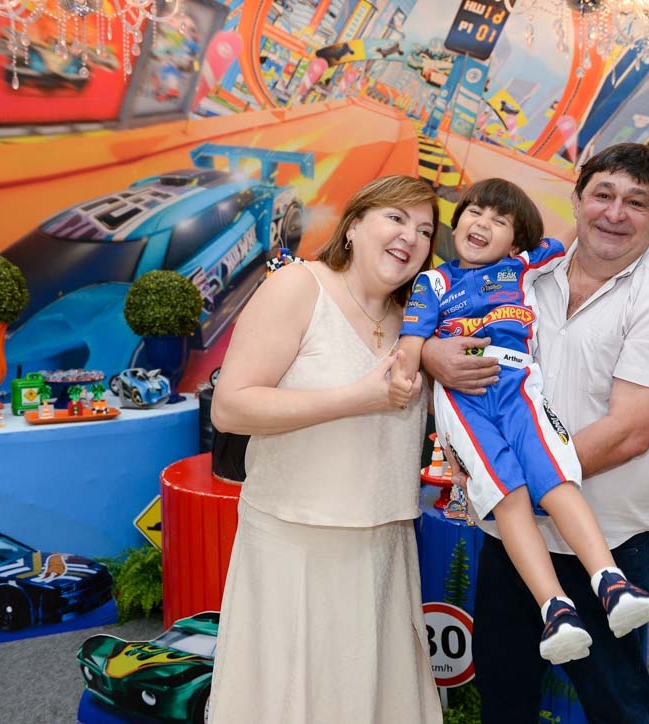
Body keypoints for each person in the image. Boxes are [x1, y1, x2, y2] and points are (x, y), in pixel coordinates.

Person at [422, 144, 649, 723]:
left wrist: (509, 479)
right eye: (603, 194)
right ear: (576, 200)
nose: (615, 213)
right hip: (513, 538)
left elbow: (629, 433)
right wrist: (432, 353)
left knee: (613, 702)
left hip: (601, 537)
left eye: (636, 202)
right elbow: (459, 333)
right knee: (505, 692)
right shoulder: (526, 272)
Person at [208, 175, 443, 723]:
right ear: (354, 225)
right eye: (396, 218)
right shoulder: (300, 287)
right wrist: (356, 398)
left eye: (425, 230)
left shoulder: (415, 323)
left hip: (383, 546)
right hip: (294, 546)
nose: (410, 237)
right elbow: (231, 408)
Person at [399, 178, 649, 666]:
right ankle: (554, 609)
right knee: (508, 497)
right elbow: (411, 342)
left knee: (555, 477)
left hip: (519, 389)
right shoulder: (433, 282)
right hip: (464, 399)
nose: (482, 223)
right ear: (457, 222)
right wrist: (407, 373)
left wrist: (633, 217)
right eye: (475, 212)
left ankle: (612, 583)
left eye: (499, 221)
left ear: (516, 243)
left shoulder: (522, 266)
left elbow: (570, 232)